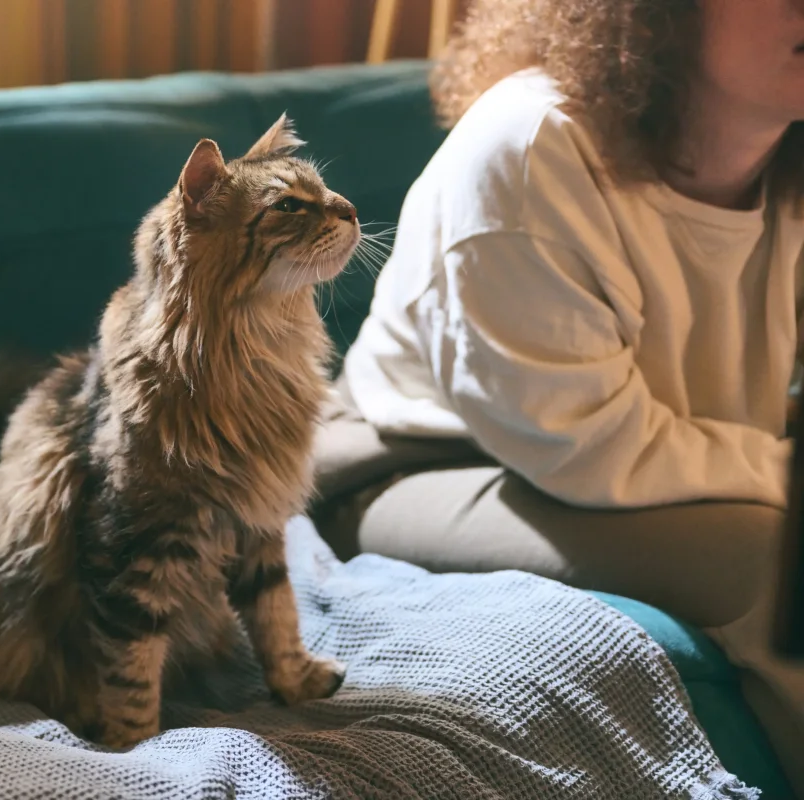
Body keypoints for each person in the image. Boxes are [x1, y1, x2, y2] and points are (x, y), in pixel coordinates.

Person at [312, 0, 804, 793]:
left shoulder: (785, 153)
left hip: (628, 457)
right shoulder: (535, 144)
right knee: (772, 562)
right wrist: (785, 471)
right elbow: (589, 446)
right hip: (411, 467)